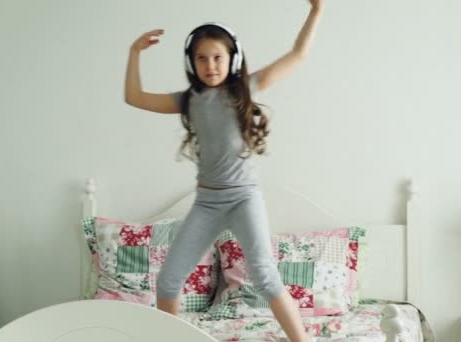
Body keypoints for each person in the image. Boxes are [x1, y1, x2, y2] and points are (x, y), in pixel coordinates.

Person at [124, 2, 323, 340]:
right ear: (192, 63)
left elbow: (298, 54)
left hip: (244, 199)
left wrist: (315, 11)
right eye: (202, 58)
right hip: (207, 203)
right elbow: (135, 97)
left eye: (217, 57)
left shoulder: (245, 90)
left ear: (233, 58)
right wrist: (134, 53)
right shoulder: (188, 100)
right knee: (168, 279)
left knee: (264, 276)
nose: (210, 65)